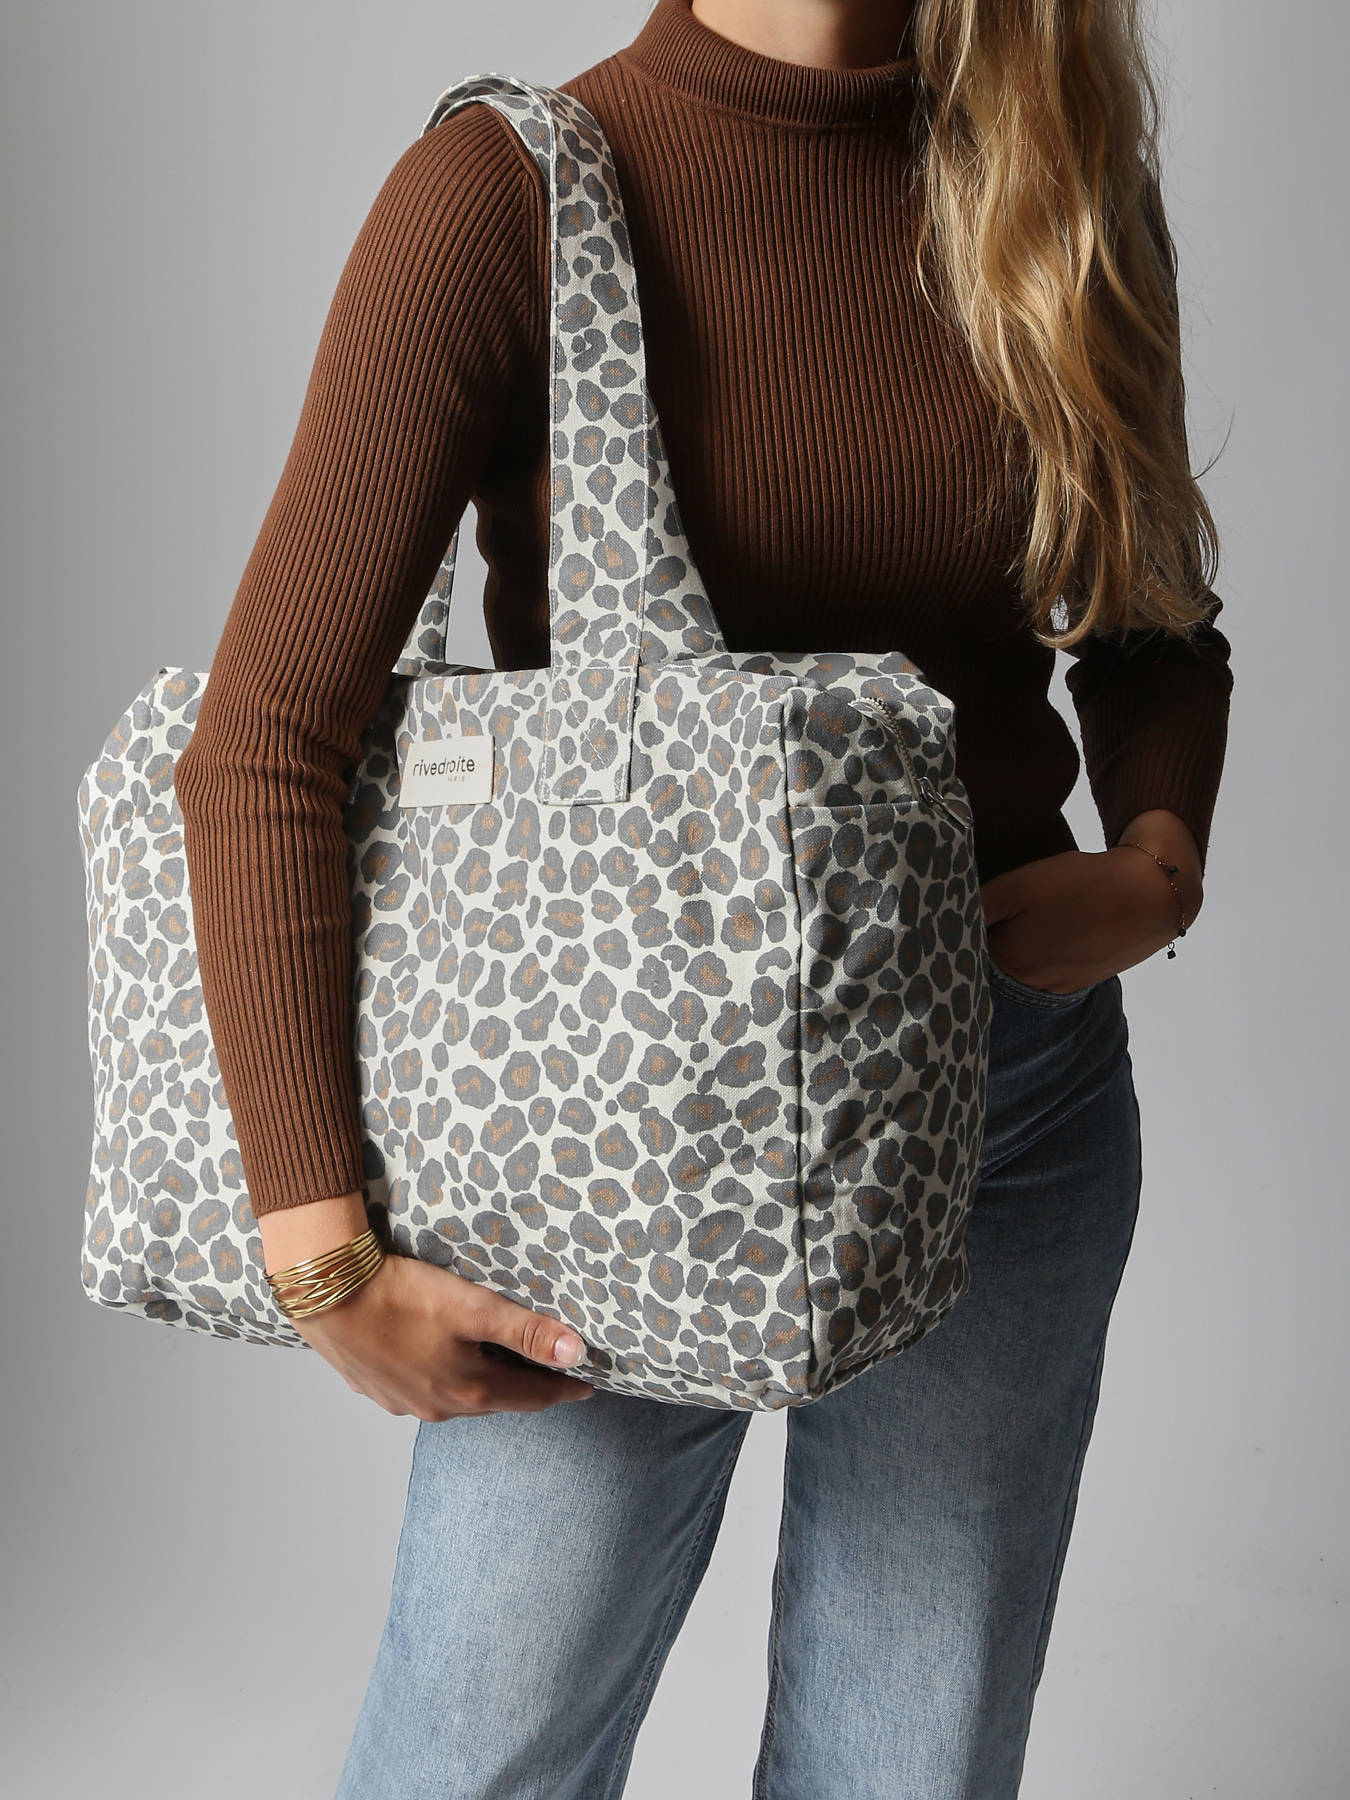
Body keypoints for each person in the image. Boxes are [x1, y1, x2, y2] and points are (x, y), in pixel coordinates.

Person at [172, 0, 1233, 1793]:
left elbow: (1146, 623)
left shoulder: (1049, 183)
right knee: (477, 1757)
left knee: (908, 1764)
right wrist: (314, 1246)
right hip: (626, 1119)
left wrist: (1154, 866)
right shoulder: (507, 193)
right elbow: (264, 741)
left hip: (1006, 1091)